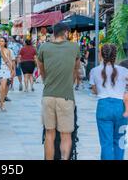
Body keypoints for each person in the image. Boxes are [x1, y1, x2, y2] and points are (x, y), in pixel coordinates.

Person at [37, 23, 80, 160]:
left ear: (54, 33)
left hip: (48, 95)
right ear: (66, 33)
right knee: (65, 134)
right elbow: (76, 69)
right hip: (66, 96)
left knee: (49, 134)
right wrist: (69, 82)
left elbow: (41, 70)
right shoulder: (74, 47)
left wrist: (47, 81)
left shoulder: (43, 47)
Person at [89, 44, 128, 160]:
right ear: (115, 56)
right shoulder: (124, 70)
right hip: (120, 107)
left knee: (106, 143)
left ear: (101, 54)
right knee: (119, 141)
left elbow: (95, 90)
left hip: (103, 107)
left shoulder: (94, 71)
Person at [0, 37, 15, 112]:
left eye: (2, 41)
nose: (1, 42)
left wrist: (12, 70)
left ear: (5, 43)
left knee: (4, 87)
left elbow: (10, 60)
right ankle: (1, 102)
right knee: (0, 87)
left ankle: (2, 103)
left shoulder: (8, 50)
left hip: (6, 69)